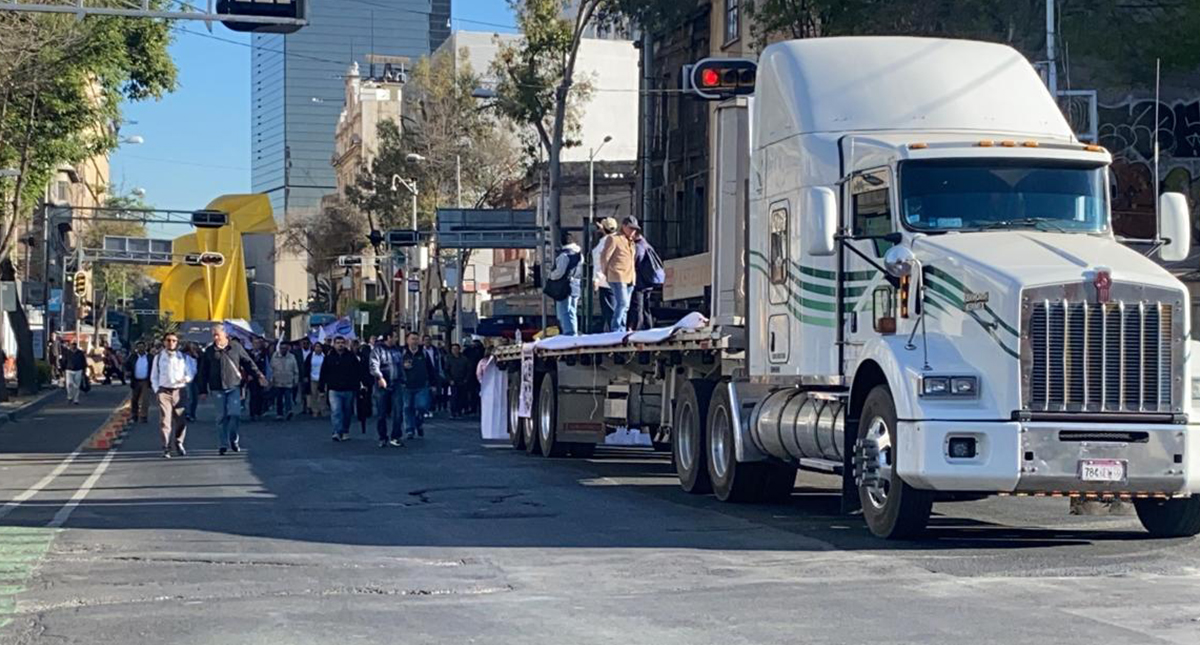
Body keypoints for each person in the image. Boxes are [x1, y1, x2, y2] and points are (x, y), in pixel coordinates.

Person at [197, 324, 267, 455]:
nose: (215, 337)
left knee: (235, 414)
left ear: (225, 334)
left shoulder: (235, 347)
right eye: (213, 335)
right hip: (217, 388)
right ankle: (223, 444)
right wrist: (202, 390)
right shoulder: (210, 351)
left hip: (233, 386)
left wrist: (259, 376)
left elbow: (248, 362)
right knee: (221, 417)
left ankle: (233, 439)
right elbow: (203, 371)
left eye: (217, 334)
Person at [150, 332, 194, 458]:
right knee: (165, 420)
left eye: (174, 340)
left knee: (180, 419)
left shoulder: (183, 358)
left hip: (179, 391)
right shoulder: (158, 358)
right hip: (164, 391)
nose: (171, 343)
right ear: (164, 342)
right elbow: (154, 376)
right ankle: (166, 447)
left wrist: (185, 379)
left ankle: (179, 442)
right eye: (168, 340)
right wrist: (157, 390)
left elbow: (190, 373)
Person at [599, 214, 636, 332]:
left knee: (626, 306)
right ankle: (615, 328)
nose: (632, 231)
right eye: (630, 228)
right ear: (624, 226)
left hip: (630, 277)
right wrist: (607, 272)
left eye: (635, 229)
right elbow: (604, 257)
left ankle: (622, 328)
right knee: (622, 303)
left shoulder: (631, 242)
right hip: (617, 276)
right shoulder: (614, 239)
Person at [319, 336, 360, 442]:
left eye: (342, 342)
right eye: (338, 343)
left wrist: (358, 386)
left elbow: (357, 372)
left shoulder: (351, 356)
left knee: (347, 411)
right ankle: (337, 431)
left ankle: (345, 430)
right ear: (334, 344)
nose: (340, 344)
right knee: (336, 411)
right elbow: (323, 373)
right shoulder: (329, 357)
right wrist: (321, 388)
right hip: (334, 389)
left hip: (348, 388)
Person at [369, 332, 406, 448]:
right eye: (395, 337)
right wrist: (379, 377)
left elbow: (400, 366)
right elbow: (373, 365)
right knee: (381, 412)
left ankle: (396, 436)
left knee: (398, 411)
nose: (396, 339)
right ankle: (382, 437)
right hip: (382, 385)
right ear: (388, 337)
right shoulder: (377, 350)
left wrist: (403, 379)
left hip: (397, 384)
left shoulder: (397, 350)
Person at [400, 332, 437, 439]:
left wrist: (433, 384)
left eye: (416, 339)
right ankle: (409, 430)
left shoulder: (424, 354)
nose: (414, 341)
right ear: (407, 340)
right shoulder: (402, 353)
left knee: (421, 406)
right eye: (412, 339)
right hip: (406, 385)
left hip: (422, 385)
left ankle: (418, 422)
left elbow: (431, 369)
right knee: (407, 408)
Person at [549, 231, 584, 336]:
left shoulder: (564, 255)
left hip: (565, 286)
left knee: (564, 311)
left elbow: (559, 272)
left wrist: (551, 275)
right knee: (572, 310)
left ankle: (569, 333)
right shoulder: (579, 255)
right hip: (576, 285)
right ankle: (574, 331)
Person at [627, 217, 658, 331]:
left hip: (640, 281)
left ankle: (638, 328)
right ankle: (648, 327)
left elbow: (636, 259)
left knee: (638, 306)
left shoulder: (639, 246)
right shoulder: (647, 244)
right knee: (645, 306)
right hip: (648, 281)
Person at [592, 217, 619, 331]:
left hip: (606, 281)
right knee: (618, 308)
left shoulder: (605, 243)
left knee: (609, 310)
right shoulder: (620, 240)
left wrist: (596, 279)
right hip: (619, 279)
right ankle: (616, 331)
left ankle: (613, 333)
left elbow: (600, 262)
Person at [269, 340, 299, 420]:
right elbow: (271, 369)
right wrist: (271, 380)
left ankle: (289, 411)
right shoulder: (275, 356)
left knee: (288, 397)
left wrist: (296, 380)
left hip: (288, 380)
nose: (283, 350)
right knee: (279, 398)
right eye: (282, 348)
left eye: (285, 348)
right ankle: (279, 413)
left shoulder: (292, 357)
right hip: (277, 381)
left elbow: (295, 369)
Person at [125, 342, 153, 423]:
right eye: (139, 347)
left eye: (142, 347)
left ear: (145, 347)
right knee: (134, 399)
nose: (141, 349)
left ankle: (143, 416)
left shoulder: (150, 357)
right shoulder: (133, 357)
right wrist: (128, 372)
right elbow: (127, 365)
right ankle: (134, 415)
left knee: (145, 399)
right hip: (135, 381)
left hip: (146, 381)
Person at [445, 343, 475, 418]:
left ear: (459, 349)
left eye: (456, 349)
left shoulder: (464, 359)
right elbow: (446, 370)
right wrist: (449, 380)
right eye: (453, 349)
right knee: (453, 397)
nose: (455, 350)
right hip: (453, 381)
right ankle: (453, 412)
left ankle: (459, 411)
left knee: (462, 396)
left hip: (462, 380)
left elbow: (469, 370)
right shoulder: (449, 359)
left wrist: (466, 379)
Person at [247, 338, 270, 421]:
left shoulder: (264, 354)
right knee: (253, 395)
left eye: (258, 343)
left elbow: (266, 366)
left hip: (261, 377)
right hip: (252, 377)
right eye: (255, 343)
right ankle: (252, 413)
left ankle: (259, 412)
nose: (257, 345)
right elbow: (246, 365)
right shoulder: (249, 354)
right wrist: (248, 375)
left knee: (261, 395)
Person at [304, 342, 328, 417]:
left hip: (323, 378)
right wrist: (306, 376)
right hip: (313, 377)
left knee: (323, 395)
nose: (318, 348)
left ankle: (322, 409)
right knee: (313, 394)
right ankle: (315, 410)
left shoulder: (325, 357)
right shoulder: (310, 356)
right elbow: (306, 366)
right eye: (316, 347)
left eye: (319, 347)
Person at [356, 339, 374, 434]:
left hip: (365, 381)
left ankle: (365, 411)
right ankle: (365, 411)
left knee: (365, 397)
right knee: (365, 397)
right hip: (363, 381)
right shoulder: (359, 357)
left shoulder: (365, 359)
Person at [183, 342, 200, 422]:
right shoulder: (184, 357)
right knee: (189, 397)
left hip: (196, 379)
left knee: (195, 398)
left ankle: (192, 413)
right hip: (187, 379)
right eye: (192, 348)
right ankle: (187, 413)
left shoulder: (197, 357)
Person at [297, 338, 313, 415]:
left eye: (307, 343)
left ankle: (311, 407)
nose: (305, 344)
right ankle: (304, 407)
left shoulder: (312, 352)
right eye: (304, 343)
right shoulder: (297, 353)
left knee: (311, 392)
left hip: (312, 375)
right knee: (303, 392)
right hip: (301, 375)